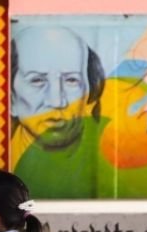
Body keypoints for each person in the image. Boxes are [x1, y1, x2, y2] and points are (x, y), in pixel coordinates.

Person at [10, 26, 106, 198]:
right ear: (10, 98)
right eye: (37, 80)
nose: (57, 101)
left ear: (89, 92)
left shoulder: (109, 155)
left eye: (71, 80)